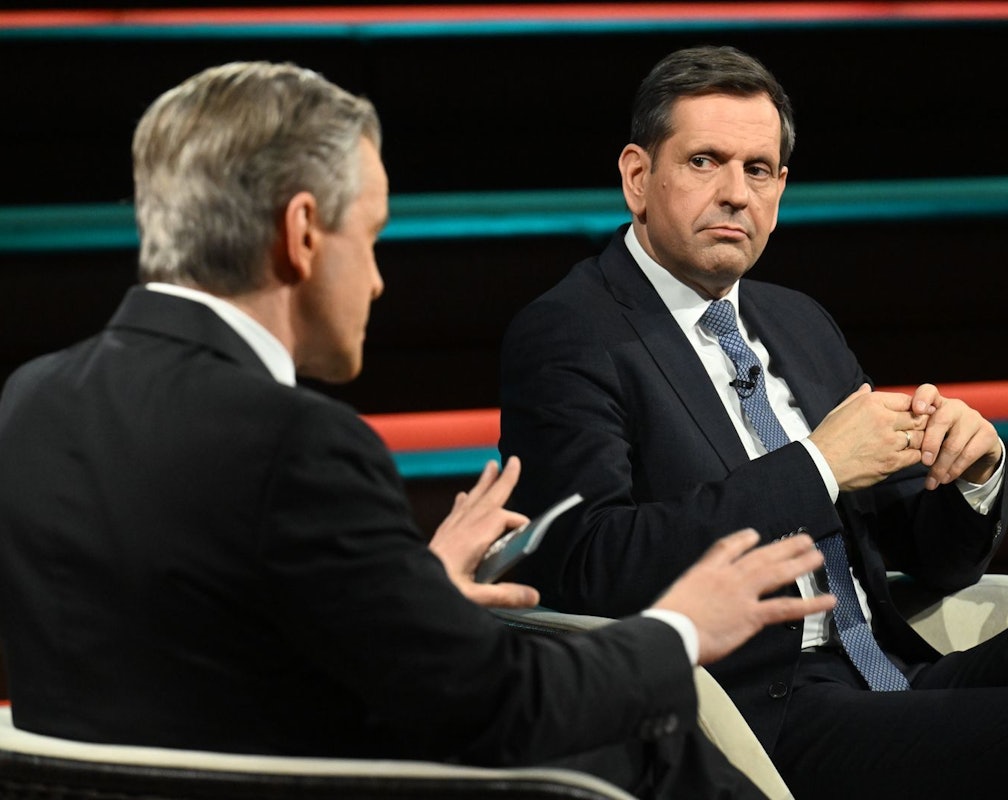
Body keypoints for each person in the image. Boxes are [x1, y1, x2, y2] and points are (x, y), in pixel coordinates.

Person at [0, 61, 840, 800]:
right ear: (300, 235)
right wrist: (685, 624)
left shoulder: (29, 400)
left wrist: (410, 595)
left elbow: (204, 639)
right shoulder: (300, 442)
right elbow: (498, 708)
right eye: (369, 238)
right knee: (655, 748)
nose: (374, 281)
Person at [499, 45, 1008, 798]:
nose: (735, 193)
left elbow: (934, 564)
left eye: (758, 169)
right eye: (704, 162)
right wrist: (817, 466)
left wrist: (971, 472)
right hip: (760, 712)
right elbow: (588, 568)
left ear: (781, 188)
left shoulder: (798, 322)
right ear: (637, 177)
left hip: (894, 670)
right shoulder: (571, 335)